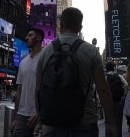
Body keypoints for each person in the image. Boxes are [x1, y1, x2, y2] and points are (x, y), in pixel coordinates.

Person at [35, 7, 117, 137]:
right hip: (84, 124)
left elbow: (38, 90)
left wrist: (40, 120)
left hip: (51, 124)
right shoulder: (91, 51)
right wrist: (111, 123)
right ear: (80, 28)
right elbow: (103, 90)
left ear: (61, 25)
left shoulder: (45, 52)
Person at [11, 28, 44, 137]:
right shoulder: (23, 62)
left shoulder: (46, 59)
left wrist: (40, 113)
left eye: (30, 35)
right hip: (22, 116)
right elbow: (19, 91)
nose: (26, 38)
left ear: (39, 38)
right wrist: (16, 118)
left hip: (40, 116)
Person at [105, 62, 127, 137]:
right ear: (113, 68)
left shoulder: (105, 76)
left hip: (108, 103)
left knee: (108, 122)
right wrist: (122, 98)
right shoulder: (119, 76)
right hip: (118, 102)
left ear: (106, 68)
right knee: (118, 122)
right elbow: (126, 85)